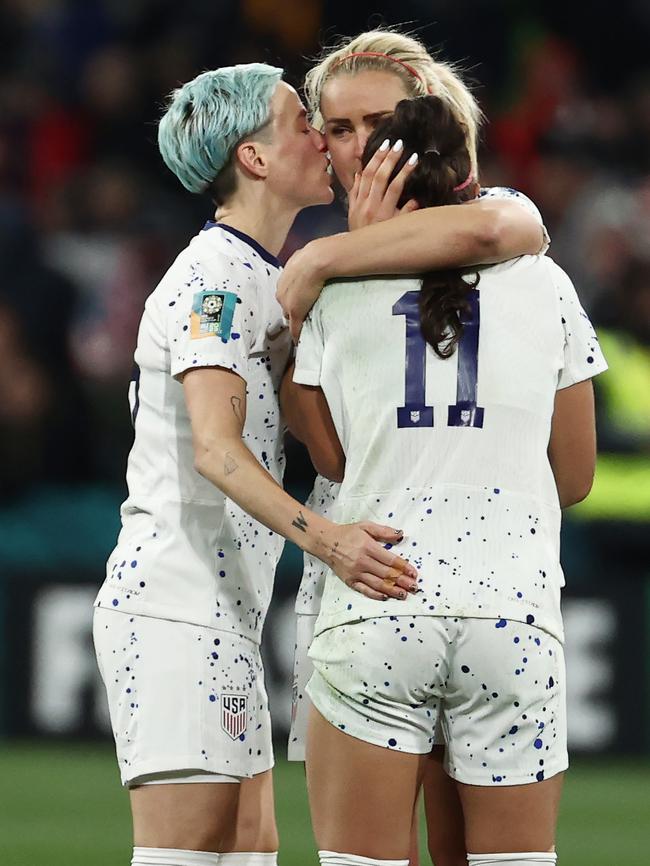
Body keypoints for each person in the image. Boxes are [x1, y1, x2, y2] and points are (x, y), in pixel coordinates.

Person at [92, 62, 422, 866]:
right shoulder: (215, 280)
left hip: (225, 610)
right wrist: (330, 539)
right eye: (300, 122)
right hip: (174, 601)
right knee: (188, 853)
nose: (322, 135)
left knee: (245, 852)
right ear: (256, 158)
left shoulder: (267, 274)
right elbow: (216, 449)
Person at [293, 94, 607, 866]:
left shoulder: (333, 292)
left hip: (379, 603)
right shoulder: (546, 283)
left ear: (378, 182)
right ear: (473, 178)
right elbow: (576, 475)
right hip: (512, 612)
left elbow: (332, 463)